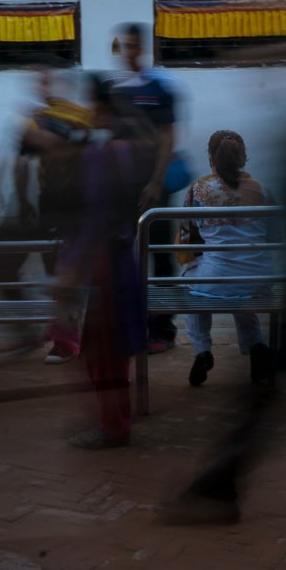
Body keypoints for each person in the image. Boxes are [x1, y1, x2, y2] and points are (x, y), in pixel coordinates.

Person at [55, 78, 158, 450]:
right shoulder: (134, 150)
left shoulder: (100, 155)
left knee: (102, 350)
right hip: (120, 255)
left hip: (104, 262)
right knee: (110, 349)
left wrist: (72, 267)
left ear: (101, 108)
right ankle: (115, 421)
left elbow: (94, 214)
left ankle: (113, 426)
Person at [0, 67, 91, 362]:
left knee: (58, 270)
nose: (41, 85)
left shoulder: (80, 117)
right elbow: (21, 161)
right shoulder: (35, 117)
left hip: (68, 204)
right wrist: (20, 200)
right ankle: (27, 333)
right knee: (2, 264)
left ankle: (65, 338)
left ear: (64, 85)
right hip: (40, 202)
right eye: (38, 80)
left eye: (48, 79)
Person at [179, 130, 273, 388]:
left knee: (192, 280)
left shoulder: (198, 190)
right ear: (243, 158)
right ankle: (256, 345)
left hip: (219, 279)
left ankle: (202, 350)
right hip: (258, 279)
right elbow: (273, 235)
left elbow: (188, 235)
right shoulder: (264, 191)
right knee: (239, 286)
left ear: (211, 158)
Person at [111, 22, 180, 351]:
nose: (128, 52)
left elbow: (167, 136)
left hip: (156, 187)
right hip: (122, 188)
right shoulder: (115, 90)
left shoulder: (159, 88)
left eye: (133, 46)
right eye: (124, 46)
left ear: (142, 48)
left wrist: (155, 181)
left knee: (161, 254)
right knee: (124, 253)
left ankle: (163, 329)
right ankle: (130, 323)